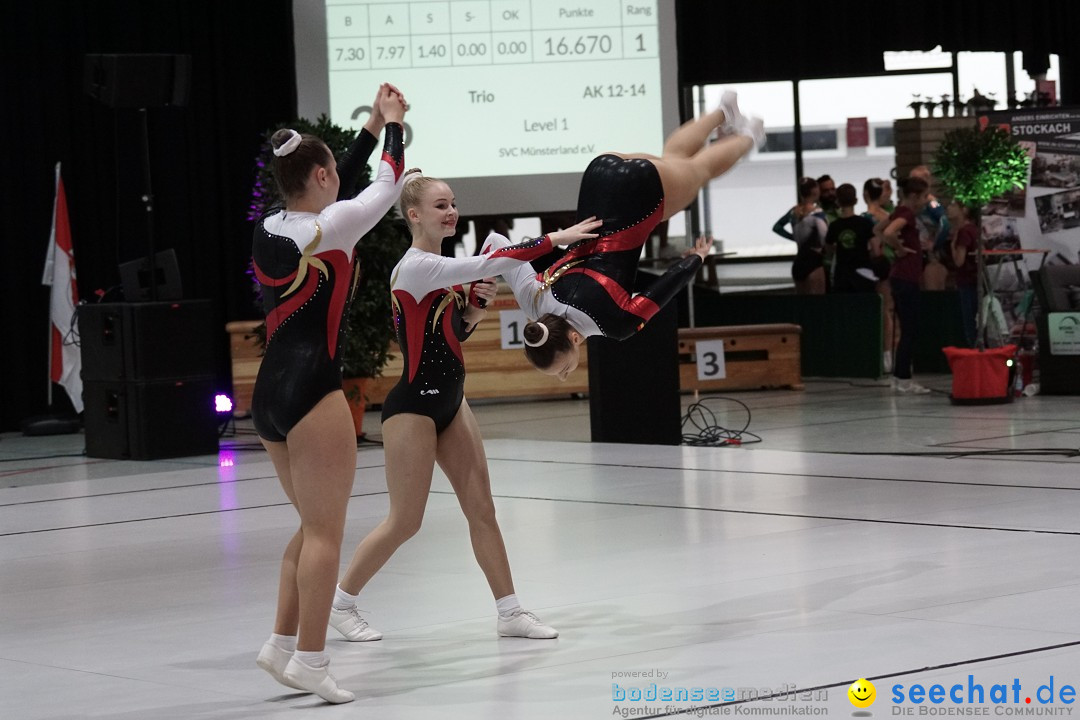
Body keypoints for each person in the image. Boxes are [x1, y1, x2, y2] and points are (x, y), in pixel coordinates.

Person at [329, 174, 602, 642]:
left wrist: (473, 313)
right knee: (405, 522)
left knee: (483, 510)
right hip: (413, 407)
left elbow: (453, 335)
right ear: (414, 215)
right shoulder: (414, 267)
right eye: (440, 206)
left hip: (452, 402)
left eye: (453, 204)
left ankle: (510, 611)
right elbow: (498, 258)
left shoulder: (444, 267)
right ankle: (341, 603)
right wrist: (555, 240)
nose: (451, 212)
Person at [250, 84, 408, 704]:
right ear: (320, 175)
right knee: (326, 534)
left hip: (269, 395)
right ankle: (313, 660)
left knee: (311, 526)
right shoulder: (333, 225)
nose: (340, 178)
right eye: (333, 172)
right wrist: (393, 126)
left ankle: (281, 644)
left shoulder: (273, 224)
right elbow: (388, 185)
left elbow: (327, 170)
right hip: (315, 389)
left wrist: (367, 125)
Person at [484, 91, 763, 377]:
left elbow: (664, 288)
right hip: (600, 175)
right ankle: (723, 112)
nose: (565, 375)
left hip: (641, 196)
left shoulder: (614, 326)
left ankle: (751, 135)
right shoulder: (532, 300)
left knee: (699, 169)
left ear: (575, 339)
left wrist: (695, 259)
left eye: (564, 368)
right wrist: (482, 281)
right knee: (675, 158)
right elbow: (497, 243)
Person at [875, 176, 931, 394]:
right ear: (914, 196)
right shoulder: (906, 213)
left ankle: (899, 376)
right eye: (924, 196)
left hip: (901, 277)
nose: (927, 201)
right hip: (906, 277)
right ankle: (903, 378)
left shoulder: (898, 211)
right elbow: (887, 233)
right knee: (910, 329)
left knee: (908, 328)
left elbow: (878, 230)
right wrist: (898, 248)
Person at [863, 178, 896, 373]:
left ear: (865, 194)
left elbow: (875, 248)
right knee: (889, 310)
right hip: (888, 264)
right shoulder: (889, 215)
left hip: (880, 266)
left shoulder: (868, 218)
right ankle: (890, 353)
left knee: (885, 310)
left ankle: (886, 354)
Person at [775, 177, 828, 295]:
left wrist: (793, 237)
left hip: (798, 262)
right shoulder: (817, 213)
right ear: (815, 191)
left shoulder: (793, 212)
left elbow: (777, 228)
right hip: (814, 262)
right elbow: (825, 237)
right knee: (818, 305)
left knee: (802, 304)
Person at [824, 183, 876, 292]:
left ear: (837, 201)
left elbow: (828, 250)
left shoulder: (834, 226)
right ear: (856, 200)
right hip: (863, 272)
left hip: (842, 274)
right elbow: (875, 250)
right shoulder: (865, 223)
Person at [909, 165, 950, 291]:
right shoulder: (912, 201)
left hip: (929, 254)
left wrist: (934, 244)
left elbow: (945, 223)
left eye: (917, 180)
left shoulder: (932, 203)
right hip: (915, 251)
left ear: (927, 182)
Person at [948, 200, 980, 347]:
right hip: (977, 280)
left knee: (969, 321)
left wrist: (953, 246)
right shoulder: (975, 230)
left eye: (953, 205)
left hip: (966, 281)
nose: (949, 208)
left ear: (964, 210)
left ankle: (973, 351)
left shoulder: (963, 232)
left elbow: (959, 261)